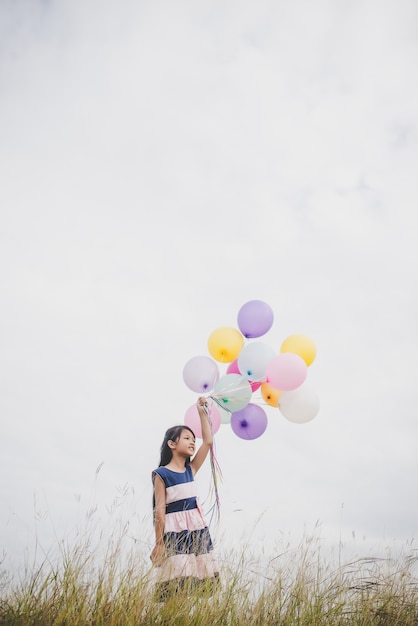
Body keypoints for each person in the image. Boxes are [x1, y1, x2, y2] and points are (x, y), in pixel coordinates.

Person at [150, 396, 220, 600]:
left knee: (196, 583)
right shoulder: (162, 473)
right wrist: (159, 543)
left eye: (193, 438)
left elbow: (208, 441)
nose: (193, 441)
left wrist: (201, 412)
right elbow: (160, 511)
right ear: (172, 443)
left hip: (196, 530)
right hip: (175, 532)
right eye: (187, 438)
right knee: (177, 584)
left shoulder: (190, 470)